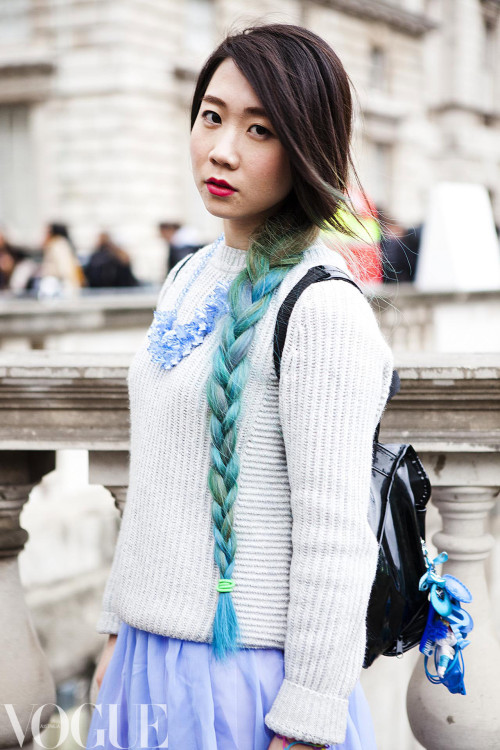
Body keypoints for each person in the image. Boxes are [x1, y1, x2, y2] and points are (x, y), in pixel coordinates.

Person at [87, 23, 394, 750]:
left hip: (244, 676)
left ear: (306, 145)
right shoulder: (189, 276)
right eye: (212, 116)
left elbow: (336, 534)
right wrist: (114, 629)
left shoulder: (319, 305)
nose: (222, 150)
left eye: (260, 130)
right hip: (145, 657)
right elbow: (157, 480)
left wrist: (311, 714)